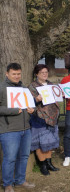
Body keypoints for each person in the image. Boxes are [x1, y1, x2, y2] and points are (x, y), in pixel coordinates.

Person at [0, 63, 35, 191]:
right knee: (9, 158)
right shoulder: (2, 88)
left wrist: (32, 110)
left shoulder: (23, 87)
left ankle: (20, 180)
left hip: (26, 129)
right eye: (14, 74)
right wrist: (14, 111)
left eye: (18, 74)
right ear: (7, 74)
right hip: (9, 130)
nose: (16, 76)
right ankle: (8, 184)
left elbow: (29, 104)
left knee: (24, 156)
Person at [28, 64, 60, 175]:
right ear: (37, 74)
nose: (45, 74)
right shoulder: (32, 86)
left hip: (52, 117)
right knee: (41, 143)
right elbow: (29, 102)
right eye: (42, 72)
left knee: (49, 141)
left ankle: (49, 163)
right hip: (39, 117)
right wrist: (36, 99)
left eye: (46, 72)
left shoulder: (51, 84)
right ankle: (43, 165)